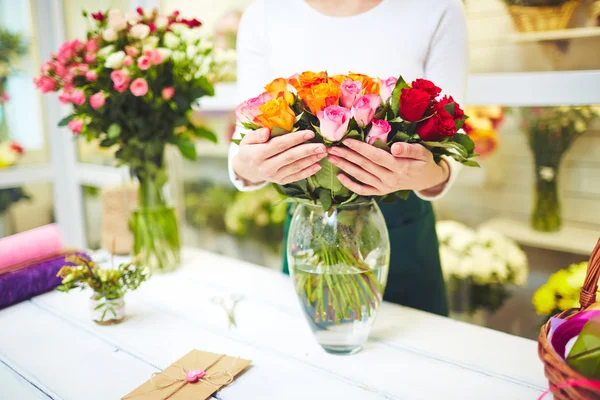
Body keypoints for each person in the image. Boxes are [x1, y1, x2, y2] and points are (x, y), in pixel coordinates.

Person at [228, 0, 468, 316]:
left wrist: (433, 173)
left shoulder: (437, 8)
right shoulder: (263, 14)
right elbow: (243, 139)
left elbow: (452, 131)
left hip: (401, 226)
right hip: (311, 220)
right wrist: (248, 165)